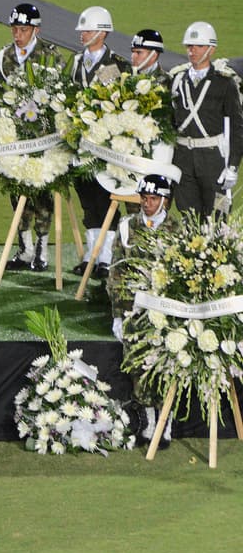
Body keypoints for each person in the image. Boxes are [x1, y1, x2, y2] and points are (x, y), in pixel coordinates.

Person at [0, 3, 63, 272]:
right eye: (14, 28)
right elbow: (2, 94)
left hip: (43, 136)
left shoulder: (50, 55)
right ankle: (24, 249)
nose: (18, 34)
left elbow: (57, 94)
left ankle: (42, 251)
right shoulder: (5, 56)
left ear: (36, 29)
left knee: (42, 194)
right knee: (16, 190)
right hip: (15, 135)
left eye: (23, 29)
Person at [108, 173, 174, 448]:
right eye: (144, 198)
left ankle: (166, 423)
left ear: (165, 200)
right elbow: (115, 274)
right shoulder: (126, 227)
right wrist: (117, 314)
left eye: (153, 199)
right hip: (134, 310)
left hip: (168, 313)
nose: (147, 203)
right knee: (138, 366)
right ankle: (148, 422)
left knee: (166, 365)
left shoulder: (178, 231)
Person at [68, 6, 132, 279]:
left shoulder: (118, 65)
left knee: (106, 200)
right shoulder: (75, 62)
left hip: (105, 146)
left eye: (88, 30)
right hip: (81, 145)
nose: (82, 34)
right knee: (87, 199)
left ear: (103, 33)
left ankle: (106, 255)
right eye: (82, 30)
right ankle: (91, 253)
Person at [169, 21, 242, 219]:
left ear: (211, 49)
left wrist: (233, 166)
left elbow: (236, 128)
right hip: (183, 158)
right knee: (188, 217)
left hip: (214, 160)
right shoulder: (177, 79)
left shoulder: (225, 83)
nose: (192, 50)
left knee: (219, 215)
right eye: (189, 46)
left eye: (198, 46)